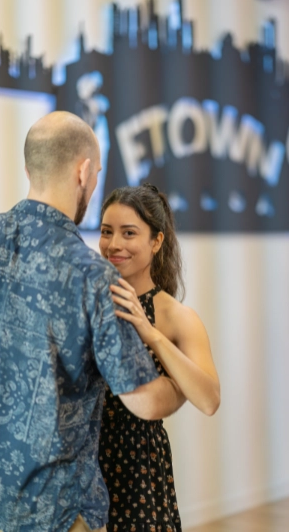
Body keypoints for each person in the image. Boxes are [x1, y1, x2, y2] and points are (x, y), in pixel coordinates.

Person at [0, 112, 185, 532]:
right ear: (83, 172)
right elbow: (145, 401)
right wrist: (180, 382)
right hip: (58, 514)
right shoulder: (93, 276)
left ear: (29, 168)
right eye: (96, 174)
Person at [98, 183, 220, 532]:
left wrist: (150, 332)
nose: (114, 244)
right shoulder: (89, 303)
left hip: (138, 469)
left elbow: (209, 399)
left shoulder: (177, 316)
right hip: (85, 465)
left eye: (129, 233)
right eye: (107, 232)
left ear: (157, 241)